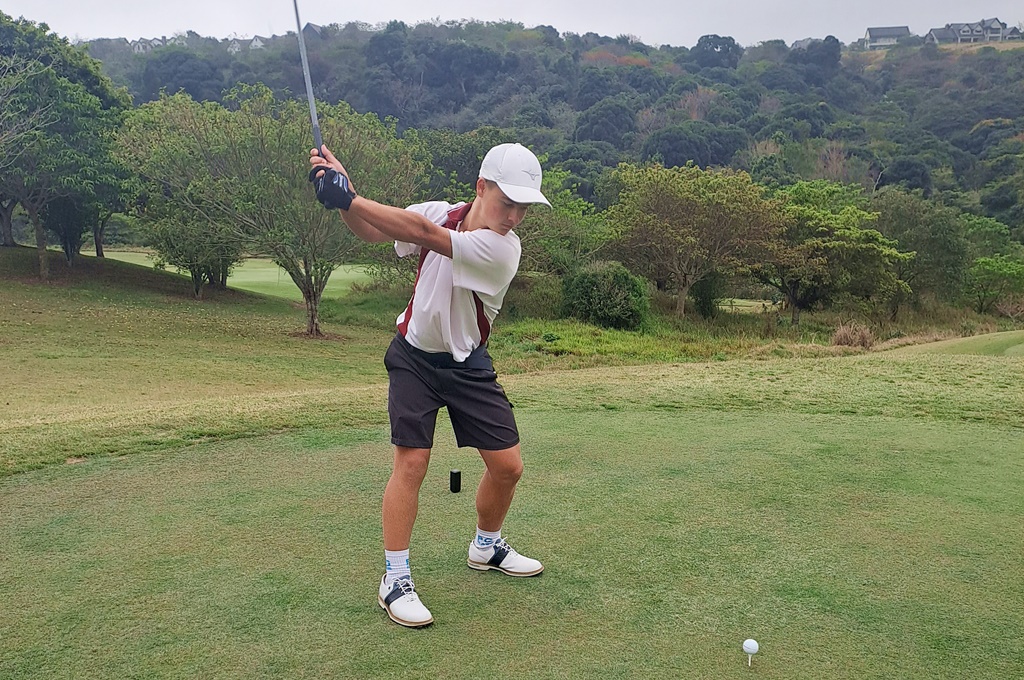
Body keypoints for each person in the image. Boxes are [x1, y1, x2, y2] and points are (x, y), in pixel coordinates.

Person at [308, 142, 551, 628]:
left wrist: (348, 197)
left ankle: (486, 546)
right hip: (414, 357)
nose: (515, 216)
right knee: (412, 463)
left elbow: (421, 232)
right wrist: (344, 196)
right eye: (509, 203)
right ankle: (395, 578)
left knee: (508, 467)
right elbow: (371, 229)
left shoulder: (503, 249)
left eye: (525, 207)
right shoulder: (443, 210)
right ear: (481, 187)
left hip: (466, 364)